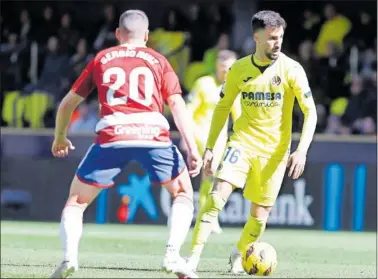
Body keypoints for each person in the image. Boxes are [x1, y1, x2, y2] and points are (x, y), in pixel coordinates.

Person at [50, 10, 201, 279]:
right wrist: (192, 146)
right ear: (147, 36)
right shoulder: (158, 60)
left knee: (75, 202)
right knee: (182, 194)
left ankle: (69, 258)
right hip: (153, 135)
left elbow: (67, 104)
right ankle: (172, 255)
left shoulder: (101, 59)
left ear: (118, 34)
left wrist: (60, 137)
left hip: (113, 135)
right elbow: (176, 104)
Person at [186, 10, 317, 274]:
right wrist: (211, 147)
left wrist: (301, 151)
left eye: (279, 37)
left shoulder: (292, 69)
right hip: (242, 143)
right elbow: (222, 108)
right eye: (271, 38)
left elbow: (310, 111)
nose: (277, 43)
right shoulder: (239, 69)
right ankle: (192, 260)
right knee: (216, 197)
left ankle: (240, 251)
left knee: (260, 217)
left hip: (276, 153)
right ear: (256, 37)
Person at [185, 49, 240, 234]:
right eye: (223, 67)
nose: (226, 71)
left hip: (219, 140)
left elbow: (238, 118)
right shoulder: (203, 83)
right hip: (199, 136)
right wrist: (188, 137)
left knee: (211, 179)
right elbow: (188, 110)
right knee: (211, 175)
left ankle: (205, 217)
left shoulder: (234, 88)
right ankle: (206, 218)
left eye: (230, 68)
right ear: (217, 66)